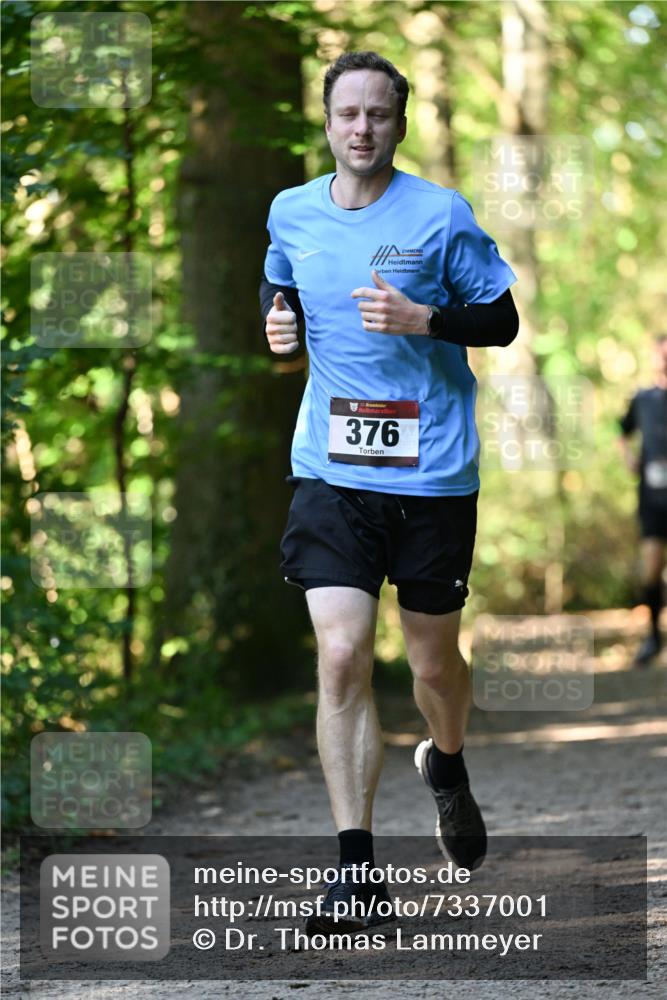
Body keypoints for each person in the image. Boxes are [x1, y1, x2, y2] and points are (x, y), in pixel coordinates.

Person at [259, 51, 519, 934]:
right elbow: (279, 277)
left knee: (432, 666)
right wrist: (276, 319)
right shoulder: (291, 209)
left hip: (433, 473)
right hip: (330, 471)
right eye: (347, 114)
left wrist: (427, 319)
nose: (361, 128)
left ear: (398, 124)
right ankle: (356, 870)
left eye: (378, 114)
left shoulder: (441, 215)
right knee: (340, 657)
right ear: (326, 123)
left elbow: (503, 319)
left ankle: (445, 766)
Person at [618, 335, 667, 667]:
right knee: (652, 565)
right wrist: (628, 458)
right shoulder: (642, 398)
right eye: (661, 355)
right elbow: (621, 430)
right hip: (652, 495)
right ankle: (653, 635)